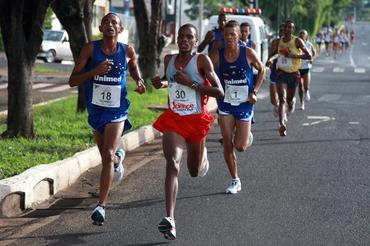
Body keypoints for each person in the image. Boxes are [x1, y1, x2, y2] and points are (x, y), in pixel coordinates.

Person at [68, 13, 146, 226]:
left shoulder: (126, 50)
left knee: (107, 154)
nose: (110, 25)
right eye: (106, 22)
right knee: (106, 156)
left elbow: (133, 67)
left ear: (120, 29)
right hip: (96, 110)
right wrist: (95, 71)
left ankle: (101, 206)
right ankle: (119, 159)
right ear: (101, 27)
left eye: (114, 23)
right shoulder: (90, 49)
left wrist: (139, 81)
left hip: (117, 109)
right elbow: (72, 80)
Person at [151, 24, 224, 240]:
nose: (184, 40)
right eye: (181, 36)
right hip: (174, 118)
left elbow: (219, 92)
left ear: (195, 41)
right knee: (172, 163)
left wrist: (192, 83)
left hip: (196, 121)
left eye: (189, 37)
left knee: (193, 170)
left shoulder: (202, 60)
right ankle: (170, 219)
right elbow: (170, 81)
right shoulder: (169, 60)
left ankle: (202, 160)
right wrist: (160, 83)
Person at [210, 20, 265, 194]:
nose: (229, 37)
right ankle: (235, 180)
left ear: (239, 35)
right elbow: (206, 71)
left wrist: (254, 91)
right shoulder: (218, 54)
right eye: (226, 34)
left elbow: (262, 70)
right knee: (227, 142)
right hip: (225, 103)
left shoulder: (248, 53)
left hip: (244, 104)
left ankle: (246, 135)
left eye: (233, 34)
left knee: (240, 146)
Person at [273, 20, 312, 136]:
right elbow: (274, 54)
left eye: (291, 27)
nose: (288, 29)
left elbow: (308, 55)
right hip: (281, 72)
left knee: (288, 101)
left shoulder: (297, 41)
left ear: (293, 30)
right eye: (286, 27)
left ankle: (292, 103)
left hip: (294, 74)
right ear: (283, 29)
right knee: (282, 99)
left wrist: (294, 55)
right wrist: (270, 60)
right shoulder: (278, 41)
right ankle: (281, 124)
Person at [266, 23, 285, 117]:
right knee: (273, 100)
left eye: (284, 30)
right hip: (275, 71)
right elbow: (270, 56)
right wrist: (269, 61)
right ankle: (277, 105)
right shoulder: (275, 42)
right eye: (280, 30)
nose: (282, 32)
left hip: (287, 72)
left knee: (283, 97)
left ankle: (283, 116)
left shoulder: (292, 43)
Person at [298, 29, 316, 110]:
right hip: (298, 68)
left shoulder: (309, 44)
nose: (302, 35)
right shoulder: (296, 44)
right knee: (300, 86)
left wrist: (312, 59)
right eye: (301, 33)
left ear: (306, 36)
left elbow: (314, 52)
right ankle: (302, 103)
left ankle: (307, 91)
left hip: (306, 67)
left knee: (306, 85)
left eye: (303, 34)